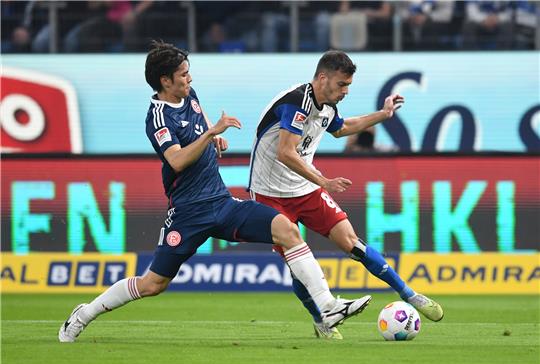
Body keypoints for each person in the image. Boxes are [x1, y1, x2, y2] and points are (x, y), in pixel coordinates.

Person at [58, 41, 371, 343]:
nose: (189, 78)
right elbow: (177, 160)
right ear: (165, 81)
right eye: (183, 74)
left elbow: (199, 118)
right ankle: (84, 314)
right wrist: (210, 134)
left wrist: (212, 135)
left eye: (188, 72)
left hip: (221, 203)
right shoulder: (157, 118)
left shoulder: (189, 95)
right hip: (188, 213)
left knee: (287, 230)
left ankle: (328, 307)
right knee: (153, 283)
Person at [248, 50, 444, 340]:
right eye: (342, 84)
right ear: (323, 78)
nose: (346, 91)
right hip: (270, 194)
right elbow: (285, 152)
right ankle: (322, 321)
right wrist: (324, 181)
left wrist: (384, 114)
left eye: (349, 85)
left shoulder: (326, 106)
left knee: (351, 242)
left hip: (304, 188)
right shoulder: (297, 102)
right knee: (298, 264)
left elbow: (343, 129)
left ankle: (409, 293)